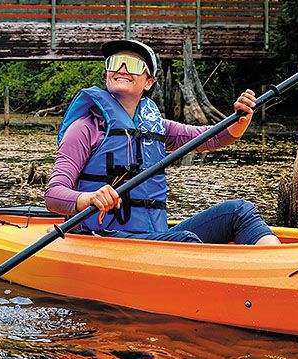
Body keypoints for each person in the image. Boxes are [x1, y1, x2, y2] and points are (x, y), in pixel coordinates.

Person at [45, 39, 280, 245]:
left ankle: (275, 269)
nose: (123, 69)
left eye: (134, 65)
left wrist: (241, 118)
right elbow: (54, 195)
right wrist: (88, 198)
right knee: (184, 242)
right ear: (107, 73)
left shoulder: (158, 127)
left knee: (240, 211)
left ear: (149, 82)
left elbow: (216, 136)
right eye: (115, 63)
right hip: (102, 237)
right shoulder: (84, 128)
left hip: (153, 237)